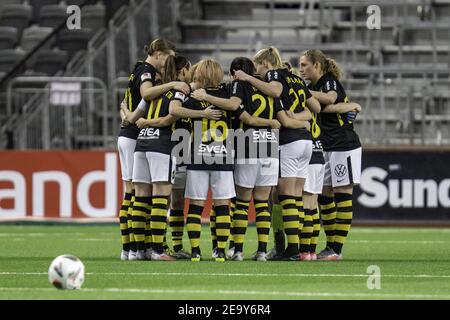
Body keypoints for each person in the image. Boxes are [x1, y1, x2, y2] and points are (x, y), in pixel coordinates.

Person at [122, 55, 221, 260]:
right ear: (182, 71)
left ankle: (136, 250)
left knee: (141, 198)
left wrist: (125, 109)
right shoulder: (180, 90)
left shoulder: (151, 91)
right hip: (164, 146)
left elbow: (131, 119)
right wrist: (203, 113)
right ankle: (158, 250)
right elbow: (171, 116)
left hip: (142, 143)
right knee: (161, 198)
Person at [191, 57, 281, 261]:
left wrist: (205, 94)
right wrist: (272, 123)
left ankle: (237, 250)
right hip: (270, 145)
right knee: (262, 203)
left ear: (235, 73)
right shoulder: (268, 87)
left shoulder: (238, 86)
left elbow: (239, 111)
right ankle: (262, 251)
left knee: (240, 203)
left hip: (246, 145)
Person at [234, 47, 319, 260]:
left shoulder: (274, 74)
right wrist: (301, 119)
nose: (256, 72)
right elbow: (315, 107)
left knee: (287, 197)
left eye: (257, 67)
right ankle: (303, 249)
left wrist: (246, 78)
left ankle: (291, 249)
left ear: (265, 64)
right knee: (296, 198)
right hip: (306, 142)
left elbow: (274, 91)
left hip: (288, 141)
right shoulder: (296, 79)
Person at [117, 38, 189, 261]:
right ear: (158, 53)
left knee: (137, 196)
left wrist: (127, 116)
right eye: (168, 57)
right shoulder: (154, 78)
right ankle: (153, 250)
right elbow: (152, 100)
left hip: (139, 139)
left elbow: (132, 109)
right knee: (154, 196)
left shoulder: (139, 71)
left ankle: (134, 250)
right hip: (149, 140)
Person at [170, 59, 236, 262]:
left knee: (196, 206)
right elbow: (236, 106)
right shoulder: (227, 96)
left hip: (198, 154)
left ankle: (196, 251)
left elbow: (175, 110)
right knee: (222, 205)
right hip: (222, 154)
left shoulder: (194, 98)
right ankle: (221, 251)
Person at [300, 49, 362, 260]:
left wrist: (303, 92)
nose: (301, 69)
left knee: (343, 195)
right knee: (325, 197)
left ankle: (336, 248)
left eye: (305, 64)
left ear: (317, 65)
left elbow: (329, 99)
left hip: (343, 144)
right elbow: (320, 107)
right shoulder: (310, 87)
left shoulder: (329, 81)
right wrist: (345, 107)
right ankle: (330, 246)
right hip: (325, 146)